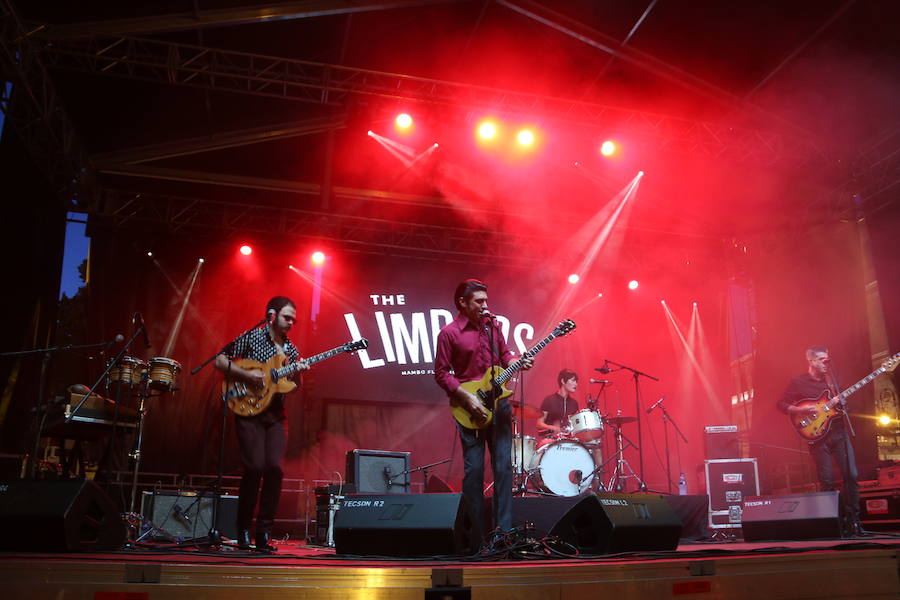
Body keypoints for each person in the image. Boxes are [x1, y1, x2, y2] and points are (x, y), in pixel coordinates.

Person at [434, 279, 532, 540]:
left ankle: (503, 534)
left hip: (499, 406)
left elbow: (505, 355)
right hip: (470, 410)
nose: (485, 305)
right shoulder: (449, 333)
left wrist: (518, 362)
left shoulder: (493, 326)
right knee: (474, 472)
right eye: (479, 301)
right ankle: (475, 537)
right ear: (462, 303)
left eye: (486, 300)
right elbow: (442, 374)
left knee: (503, 469)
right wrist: (466, 399)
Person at [214, 296, 308, 551]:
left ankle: (264, 532)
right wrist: (247, 375)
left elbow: (296, 387)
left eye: (294, 319)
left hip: (276, 413)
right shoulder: (252, 337)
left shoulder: (291, 349)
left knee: (274, 468)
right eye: (287, 317)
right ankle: (243, 529)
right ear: (271, 315)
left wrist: (298, 370)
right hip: (248, 410)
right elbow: (219, 360)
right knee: (254, 467)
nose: (291, 323)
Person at [777, 345, 861, 536]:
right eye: (822, 359)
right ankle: (832, 522)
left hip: (839, 433)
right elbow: (780, 404)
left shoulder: (832, 381)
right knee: (826, 480)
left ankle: (854, 521)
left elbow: (846, 408)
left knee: (852, 476)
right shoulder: (798, 382)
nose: (826, 362)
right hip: (817, 437)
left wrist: (843, 405)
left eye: (827, 358)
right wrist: (802, 410)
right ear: (812, 361)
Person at [537, 369, 579, 436]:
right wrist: (552, 427)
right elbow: (539, 424)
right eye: (573, 380)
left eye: (576, 381)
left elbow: (576, 425)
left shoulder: (574, 404)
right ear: (563, 381)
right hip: (551, 439)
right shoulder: (549, 400)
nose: (576, 384)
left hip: (568, 440)